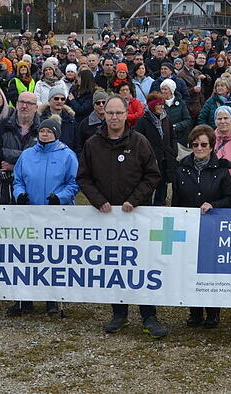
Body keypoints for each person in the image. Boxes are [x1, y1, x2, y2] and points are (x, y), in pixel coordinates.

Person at [76, 95, 165, 337]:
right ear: (104, 114)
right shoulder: (93, 144)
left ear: (127, 114)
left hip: (136, 216)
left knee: (141, 265)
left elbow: (153, 175)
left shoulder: (139, 142)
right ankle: (119, 313)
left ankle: (149, 315)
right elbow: (83, 177)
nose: (114, 117)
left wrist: (134, 200)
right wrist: (99, 200)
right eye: (110, 113)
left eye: (119, 113)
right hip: (107, 217)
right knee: (115, 266)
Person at [10, 115, 80, 317]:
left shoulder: (67, 155)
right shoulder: (27, 154)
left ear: (56, 134)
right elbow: (18, 179)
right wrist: (19, 195)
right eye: (42, 131)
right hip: (29, 213)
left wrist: (60, 197)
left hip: (55, 214)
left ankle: (52, 299)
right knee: (27, 256)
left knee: (52, 257)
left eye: (49, 131)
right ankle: (25, 299)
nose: (45, 134)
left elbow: (74, 183)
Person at [174, 125, 231, 328]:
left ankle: (213, 312)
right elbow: (175, 199)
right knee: (189, 269)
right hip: (189, 227)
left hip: (213, 227)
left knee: (211, 271)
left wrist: (214, 205)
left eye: (203, 144)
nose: (199, 148)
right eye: (195, 144)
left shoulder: (221, 170)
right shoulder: (181, 168)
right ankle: (194, 312)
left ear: (211, 146)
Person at [0, 91, 41, 208]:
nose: (24, 106)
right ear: (17, 104)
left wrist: (14, 167)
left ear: (36, 107)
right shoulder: (4, 124)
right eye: (22, 102)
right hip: (6, 187)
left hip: (34, 187)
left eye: (29, 103)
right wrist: (28, 157)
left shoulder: (43, 128)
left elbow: (44, 158)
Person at [132, 93, 176, 206]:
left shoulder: (166, 119)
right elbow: (137, 141)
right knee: (149, 182)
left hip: (165, 158)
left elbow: (172, 137)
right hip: (149, 159)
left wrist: (173, 151)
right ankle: (147, 205)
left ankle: (159, 203)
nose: (161, 107)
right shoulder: (142, 121)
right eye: (158, 105)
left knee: (163, 183)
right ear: (152, 105)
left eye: (162, 105)